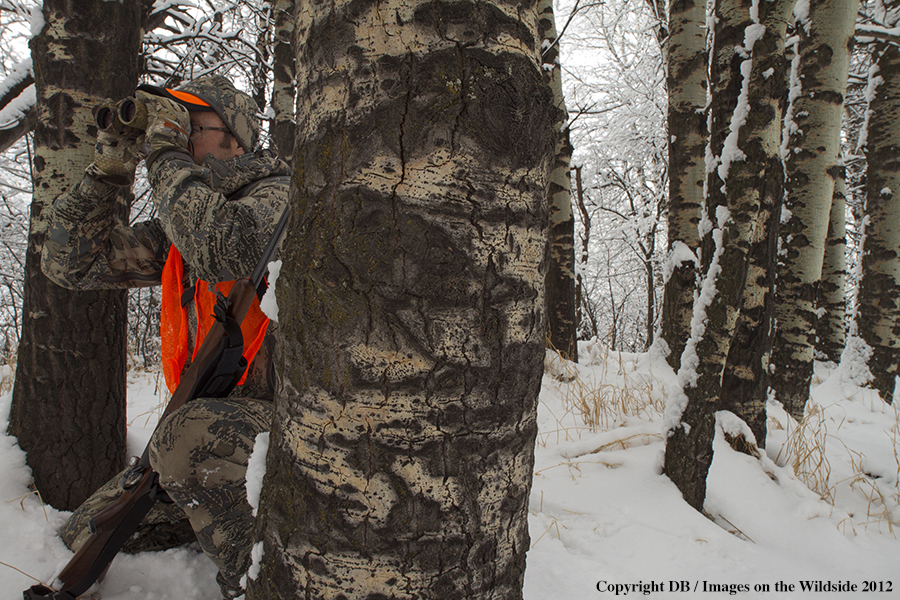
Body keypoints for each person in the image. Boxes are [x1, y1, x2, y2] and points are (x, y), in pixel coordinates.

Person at [40, 75, 290, 599]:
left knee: (188, 439)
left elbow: (219, 244)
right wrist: (107, 171)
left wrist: (162, 149)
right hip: (209, 445)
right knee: (84, 531)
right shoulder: (181, 229)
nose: (178, 137)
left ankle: (261, 583)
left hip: (284, 441)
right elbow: (70, 264)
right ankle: (220, 518)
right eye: (175, 126)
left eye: (193, 127)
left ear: (236, 140)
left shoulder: (280, 199)